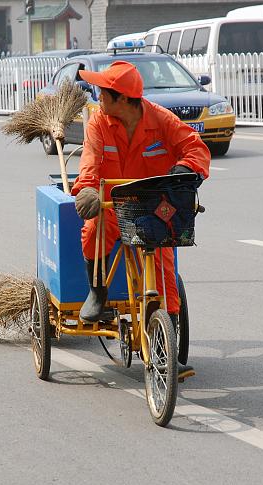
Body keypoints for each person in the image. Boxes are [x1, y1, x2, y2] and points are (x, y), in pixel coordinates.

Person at [71, 60, 210, 380]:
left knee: (165, 271)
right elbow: (90, 161)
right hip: (111, 205)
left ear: (122, 98)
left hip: (152, 207)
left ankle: (167, 348)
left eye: (103, 93)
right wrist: (89, 190)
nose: (98, 97)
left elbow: (195, 148)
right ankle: (97, 292)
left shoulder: (161, 120)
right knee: (92, 233)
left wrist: (186, 168)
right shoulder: (98, 122)